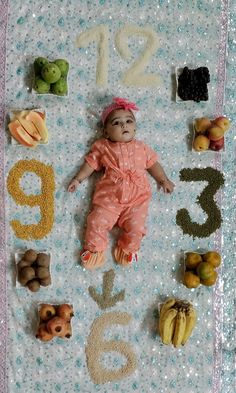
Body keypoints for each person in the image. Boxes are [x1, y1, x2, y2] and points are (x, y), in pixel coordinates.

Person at [68, 97, 174, 269]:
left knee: (136, 227)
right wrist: (78, 179)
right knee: (96, 221)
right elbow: (90, 164)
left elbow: (153, 164)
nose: (124, 125)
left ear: (135, 128)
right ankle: (94, 251)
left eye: (128, 121)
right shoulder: (103, 147)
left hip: (137, 200)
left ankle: (127, 249)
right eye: (116, 123)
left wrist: (163, 179)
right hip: (109, 199)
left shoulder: (142, 147)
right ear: (106, 132)